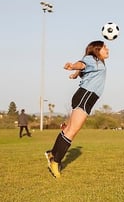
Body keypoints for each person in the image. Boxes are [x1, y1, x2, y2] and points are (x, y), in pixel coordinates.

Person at [45, 40, 110, 178]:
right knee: (71, 131)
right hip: (85, 97)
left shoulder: (97, 62)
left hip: (85, 97)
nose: (107, 49)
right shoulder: (92, 59)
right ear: (97, 50)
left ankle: (52, 153)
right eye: (105, 47)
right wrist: (73, 67)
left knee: (68, 129)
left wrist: (75, 74)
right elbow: (82, 64)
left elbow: (84, 69)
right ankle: (55, 162)